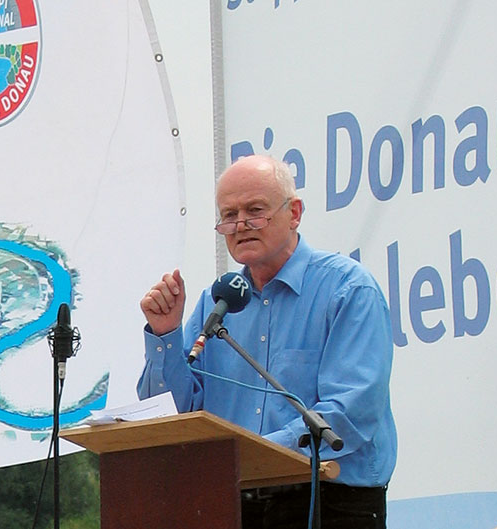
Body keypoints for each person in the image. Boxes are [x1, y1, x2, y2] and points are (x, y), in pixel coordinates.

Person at [137, 154, 397, 529]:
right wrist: (165, 334)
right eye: (228, 215)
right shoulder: (217, 302)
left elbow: (351, 411)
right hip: (231, 501)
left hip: (328, 499)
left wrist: (254, 455)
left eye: (255, 210)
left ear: (294, 213)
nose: (240, 225)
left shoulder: (347, 289)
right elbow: (170, 413)